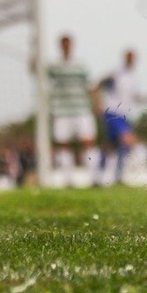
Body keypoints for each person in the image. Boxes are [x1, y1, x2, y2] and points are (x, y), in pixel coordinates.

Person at [46, 34, 99, 184]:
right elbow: (37, 73)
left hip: (82, 110)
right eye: (64, 44)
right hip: (62, 111)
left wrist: (96, 103)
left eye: (68, 44)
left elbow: (90, 86)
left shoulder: (81, 66)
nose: (66, 47)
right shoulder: (54, 66)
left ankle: (94, 178)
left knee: (88, 142)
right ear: (60, 46)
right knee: (63, 144)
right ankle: (67, 180)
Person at [95, 48, 141, 186]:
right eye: (129, 57)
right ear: (125, 58)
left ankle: (101, 175)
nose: (131, 60)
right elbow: (97, 84)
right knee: (127, 140)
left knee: (111, 146)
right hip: (113, 112)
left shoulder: (132, 78)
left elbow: (135, 97)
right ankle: (116, 175)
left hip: (125, 114)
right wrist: (97, 103)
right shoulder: (116, 73)